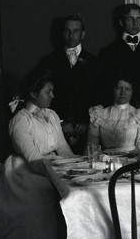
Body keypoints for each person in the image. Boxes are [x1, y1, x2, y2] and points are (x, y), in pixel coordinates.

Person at [0, 67, 74, 239]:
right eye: (49, 91)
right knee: (38, 205)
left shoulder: (52, 115)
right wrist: (57, 175)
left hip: (50, 167)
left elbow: (63, 149)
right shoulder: (20, 120)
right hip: (24, 174)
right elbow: (34, 159)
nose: (53, 95)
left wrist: (78, 167)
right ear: (33, 94)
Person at [39, 15, 99, 154]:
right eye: (67, 31)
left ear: (83, 34)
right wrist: (60, 121)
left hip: (87, 130)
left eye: (76, 31)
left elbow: (98, 96)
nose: (71, 35)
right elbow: (44, 95)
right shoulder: (48, 62)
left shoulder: (95, 62)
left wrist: (86, 121)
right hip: (57, 128)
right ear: (62, 33)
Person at [98, 3, 140, 107]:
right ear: (121, 22)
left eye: (139, 19)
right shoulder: (107, 52)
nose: (135, 23)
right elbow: (103, 87)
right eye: (130, 19)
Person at [87, 70, 140, 152]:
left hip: (132, 162)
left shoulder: (139, 115)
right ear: (113, 89)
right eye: (119, 88)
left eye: (127, 89)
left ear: (133, 91)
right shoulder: (98, 114)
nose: (123, 93)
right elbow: (91, 147)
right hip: (105, 162)